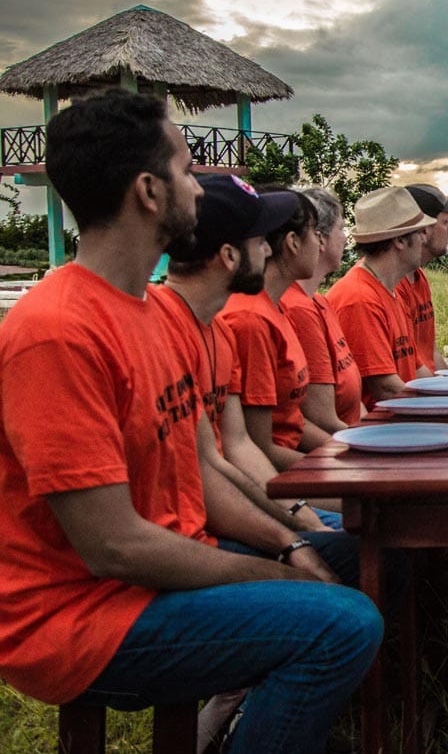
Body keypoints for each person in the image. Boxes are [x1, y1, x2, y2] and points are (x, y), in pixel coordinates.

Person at [0, 89, 381, 754]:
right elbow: (111, 546)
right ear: (149, 192)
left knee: (366, 550)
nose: (198, 192)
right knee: (341, 624)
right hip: (78, 615)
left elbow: (202, 471)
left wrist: (293, 544)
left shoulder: (154, 313)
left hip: (154, 574)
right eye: (183, 171)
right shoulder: (56, 333)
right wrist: (278, 576)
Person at [155, 175, 332, 533]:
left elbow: (235, 446)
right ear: (229, 256)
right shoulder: (233, 320)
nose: (267, 250)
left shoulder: (218, 329)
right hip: (200, 523)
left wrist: (301, 522)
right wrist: (294, 534)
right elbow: (237, 452)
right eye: (258, 241)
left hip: (226, 507)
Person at [219, 187, 327, 471]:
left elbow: (293, 422)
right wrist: (341, 472)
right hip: (274, 475)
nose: (321, 243)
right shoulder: (251, 319)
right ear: (292, 242)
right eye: (315, 232)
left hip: (291, 462)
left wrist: (345, 454)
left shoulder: (277, 307)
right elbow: (260, 447)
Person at [328, 186, 436, 405]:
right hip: (382, 430)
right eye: (419, 233)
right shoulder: (360, 299)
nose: (424, 240)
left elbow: (417, 368)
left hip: (403, 421)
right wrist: (442, 406)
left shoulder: (390, 289)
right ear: (400, 241)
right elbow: (386, 389)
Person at [282, 187, 364, 430]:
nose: (345, 237)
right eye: (340, 228)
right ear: (320, 238)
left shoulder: (320, 302)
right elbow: (322, 418)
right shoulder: (298, 308)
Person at [396, 183, 448, 375]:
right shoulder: (392, 285)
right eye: (444, 222)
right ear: (424, 230)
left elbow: (431, 352)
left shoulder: (418, 277)